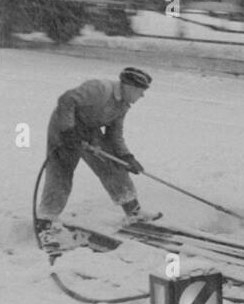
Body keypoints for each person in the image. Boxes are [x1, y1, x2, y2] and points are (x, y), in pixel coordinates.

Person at [36, 68, 159, 241]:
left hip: (88, 129)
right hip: (63, 126)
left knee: (113, 166)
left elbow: (114, 135)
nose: (142, 96)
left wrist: (126, 157)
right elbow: (66, 99)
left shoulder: (122, 105)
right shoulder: (100, 89)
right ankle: (45, 222)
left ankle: (133, 212)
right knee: (62, 171)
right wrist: (68, 129)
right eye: (141, 91)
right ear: (129, 87)